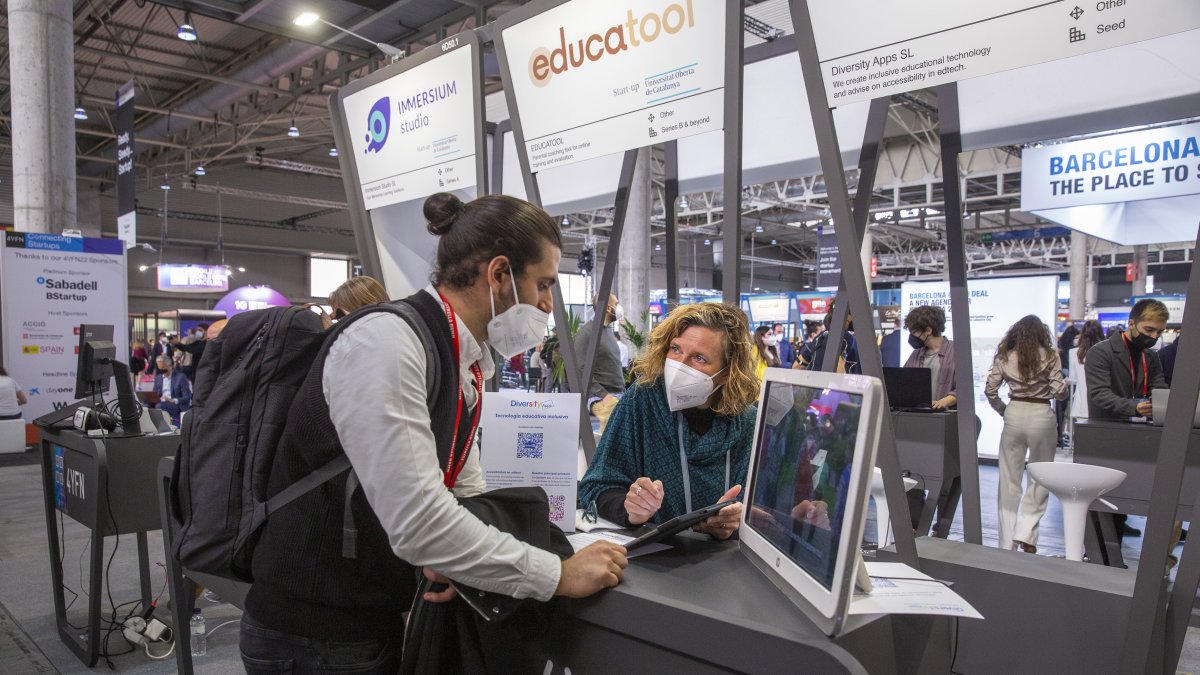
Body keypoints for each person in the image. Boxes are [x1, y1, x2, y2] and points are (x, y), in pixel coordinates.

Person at [240, 192, 626, 673]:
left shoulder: (461, 360)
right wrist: (556, 575)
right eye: (544, 284)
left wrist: (470, 565)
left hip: (371, 618)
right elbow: (420, 523)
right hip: (314, 634)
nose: (549, 303)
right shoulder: (386, 343)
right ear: (500, 275)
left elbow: (464, 490)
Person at [578, 302, 758, 536]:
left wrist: (735, 521)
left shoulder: (747, 424)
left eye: (699, 358)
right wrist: (630, 507)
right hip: (653, 560)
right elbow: (596, 485)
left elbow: (763, 509)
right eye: (675, 349)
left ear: (726, 374)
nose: (679, 365)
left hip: (725, 562)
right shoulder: (642, 401)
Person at [984, 315, 1068, 553]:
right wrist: (1064, 389)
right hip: (1042, 412)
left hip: (1014, 411)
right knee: (1040, 477)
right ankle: (1027, 534)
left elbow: (990, 390)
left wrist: (1004, 410)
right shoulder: (1050, 355)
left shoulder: (1004, 356)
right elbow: (1058, 391)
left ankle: (1006, 541)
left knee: (1009, 479)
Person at [1086, 299, 1169, 422]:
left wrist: (1155, 403)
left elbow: (1159, 389)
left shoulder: (1151, 356)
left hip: (1143, 429)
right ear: (1131, 324)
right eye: (1149, 330)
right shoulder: (1100, 352)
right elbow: (1100, 394)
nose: (1154, 336)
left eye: (1159, 332)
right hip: (1106, 428)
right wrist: (1134, 407)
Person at [574, 293, 626, 429]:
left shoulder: (608, 332)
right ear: (608, 308)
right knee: (619, 421)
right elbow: (580, 370)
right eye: (616, 303)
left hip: (617, 394)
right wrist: (604, 396)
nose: (619, 307)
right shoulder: (586, 333)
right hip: (599, 396)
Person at [903, 305, 957, 410]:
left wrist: (944, 401)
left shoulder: (956, 351)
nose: (912, 336)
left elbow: (963, 388)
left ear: (928, 330)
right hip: (919, 415)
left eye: (914, 332)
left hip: (945, 417)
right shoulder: (915, 355)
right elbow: (904, 384)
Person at [1068, 320, 1105, 421]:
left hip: (1081, 405)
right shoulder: (1105, 353)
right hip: (1102, 404)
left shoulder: (1074, 353)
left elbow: (1073, 378)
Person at [153, 355, 192, 425]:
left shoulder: (180, 377)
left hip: (175, 404)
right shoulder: (158, 378)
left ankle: (163, 427)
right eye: (159, 368)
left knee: (159, 406)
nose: (161, 370)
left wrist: (172, 400)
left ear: (170, 366)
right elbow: (154, 393)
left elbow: (187, 396)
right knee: (145, 406)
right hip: (161, 402)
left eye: (163, 368)